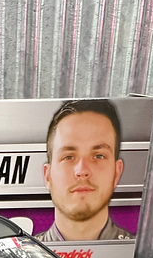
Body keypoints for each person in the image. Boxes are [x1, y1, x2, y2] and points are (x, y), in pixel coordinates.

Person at [35, 99, 134, 242]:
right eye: (68, 157)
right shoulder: (19, 255)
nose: (82, 170)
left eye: (99, 156)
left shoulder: (139, 253)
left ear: (117, 173)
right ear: (47, 176)